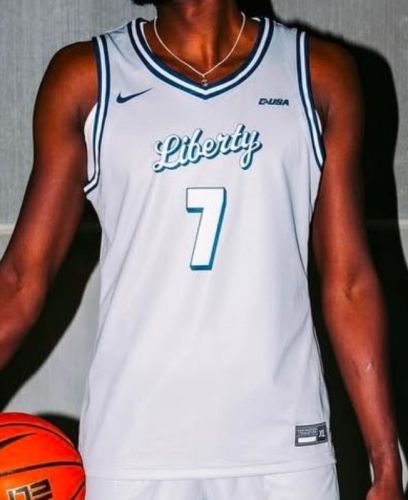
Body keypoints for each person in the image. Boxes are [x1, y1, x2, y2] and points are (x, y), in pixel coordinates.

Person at [0, 0, 404, 498]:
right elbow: (19, 281)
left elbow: (349, 282)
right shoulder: (88, 78)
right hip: (135, 447)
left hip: (285, 446)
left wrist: (387, 463)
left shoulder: (317, 74)